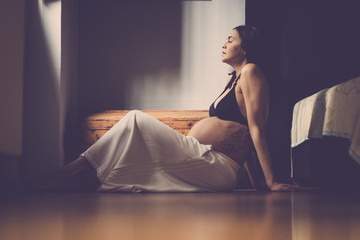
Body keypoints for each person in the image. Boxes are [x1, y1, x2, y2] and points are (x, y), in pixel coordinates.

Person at [61, 25, 299, 192]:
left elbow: (255, 130)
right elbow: (241, 134)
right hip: (201, 156)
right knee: (126, 170)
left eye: (231, 39)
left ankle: (72, 171)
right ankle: (76, 181)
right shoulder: (232, 80)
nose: (224, 44)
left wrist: (270, 181)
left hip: (216, 165)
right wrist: (254, 181)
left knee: (135, 120)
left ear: (245, 47)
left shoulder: (251, 71)